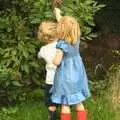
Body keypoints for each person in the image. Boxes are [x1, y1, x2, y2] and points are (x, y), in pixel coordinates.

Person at [51, 16, 91, 120]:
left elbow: (57, 61)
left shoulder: (62, 44)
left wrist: (53, 60)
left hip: (66, 76)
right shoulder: (76, 40)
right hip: (77, 74)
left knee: (65, 104)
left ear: (61, 30)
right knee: (79, 102)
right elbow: (68, 24)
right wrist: (58, 14)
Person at [37, 21, 58, 120]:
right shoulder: (60, 45)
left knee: (51, 102)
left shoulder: (43, 49)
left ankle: (52, 117)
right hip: (62, 79)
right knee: (64, 101)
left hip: (50, 80)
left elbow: (39, 56)